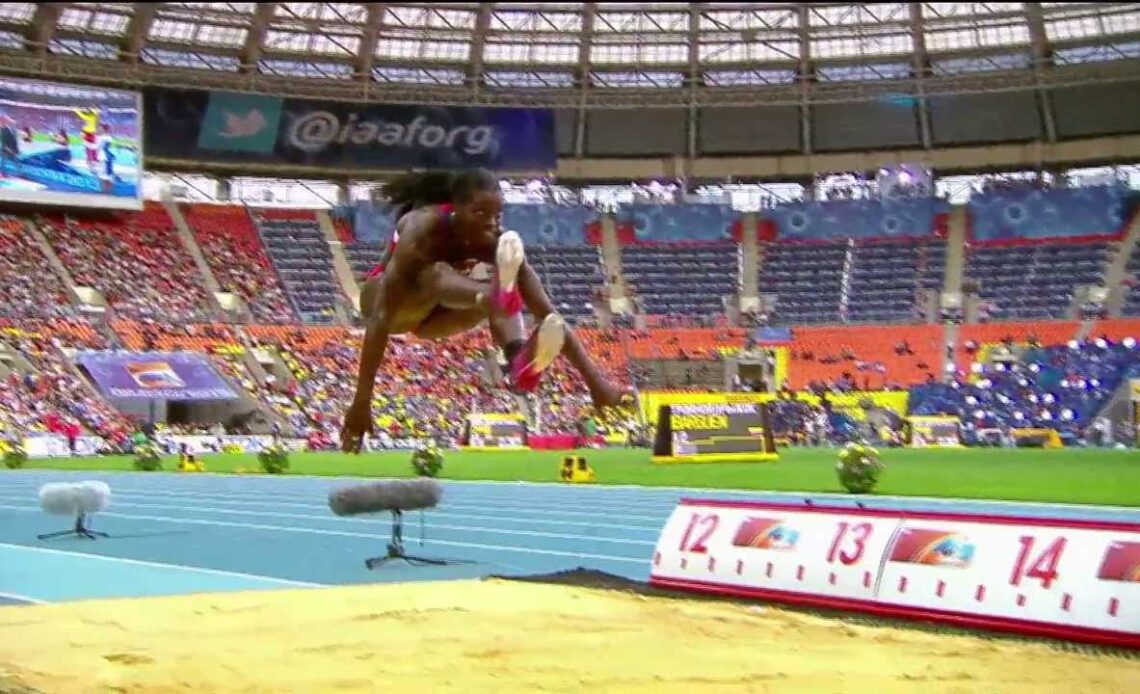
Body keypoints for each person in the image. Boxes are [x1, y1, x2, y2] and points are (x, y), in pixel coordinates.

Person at [341, 168, 631, 454]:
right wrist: (361, 400)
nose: (491, 224)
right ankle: (491, 296)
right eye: (480, 213)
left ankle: (516, 359)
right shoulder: (421, 230)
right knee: (437, 274)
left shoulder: (496, 241)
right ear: (455, 210)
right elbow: (379, 319)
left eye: (498, 215)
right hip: (388, 305)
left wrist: (597, 384)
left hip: (433, 320)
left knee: (503, 291)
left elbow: (550, 315)